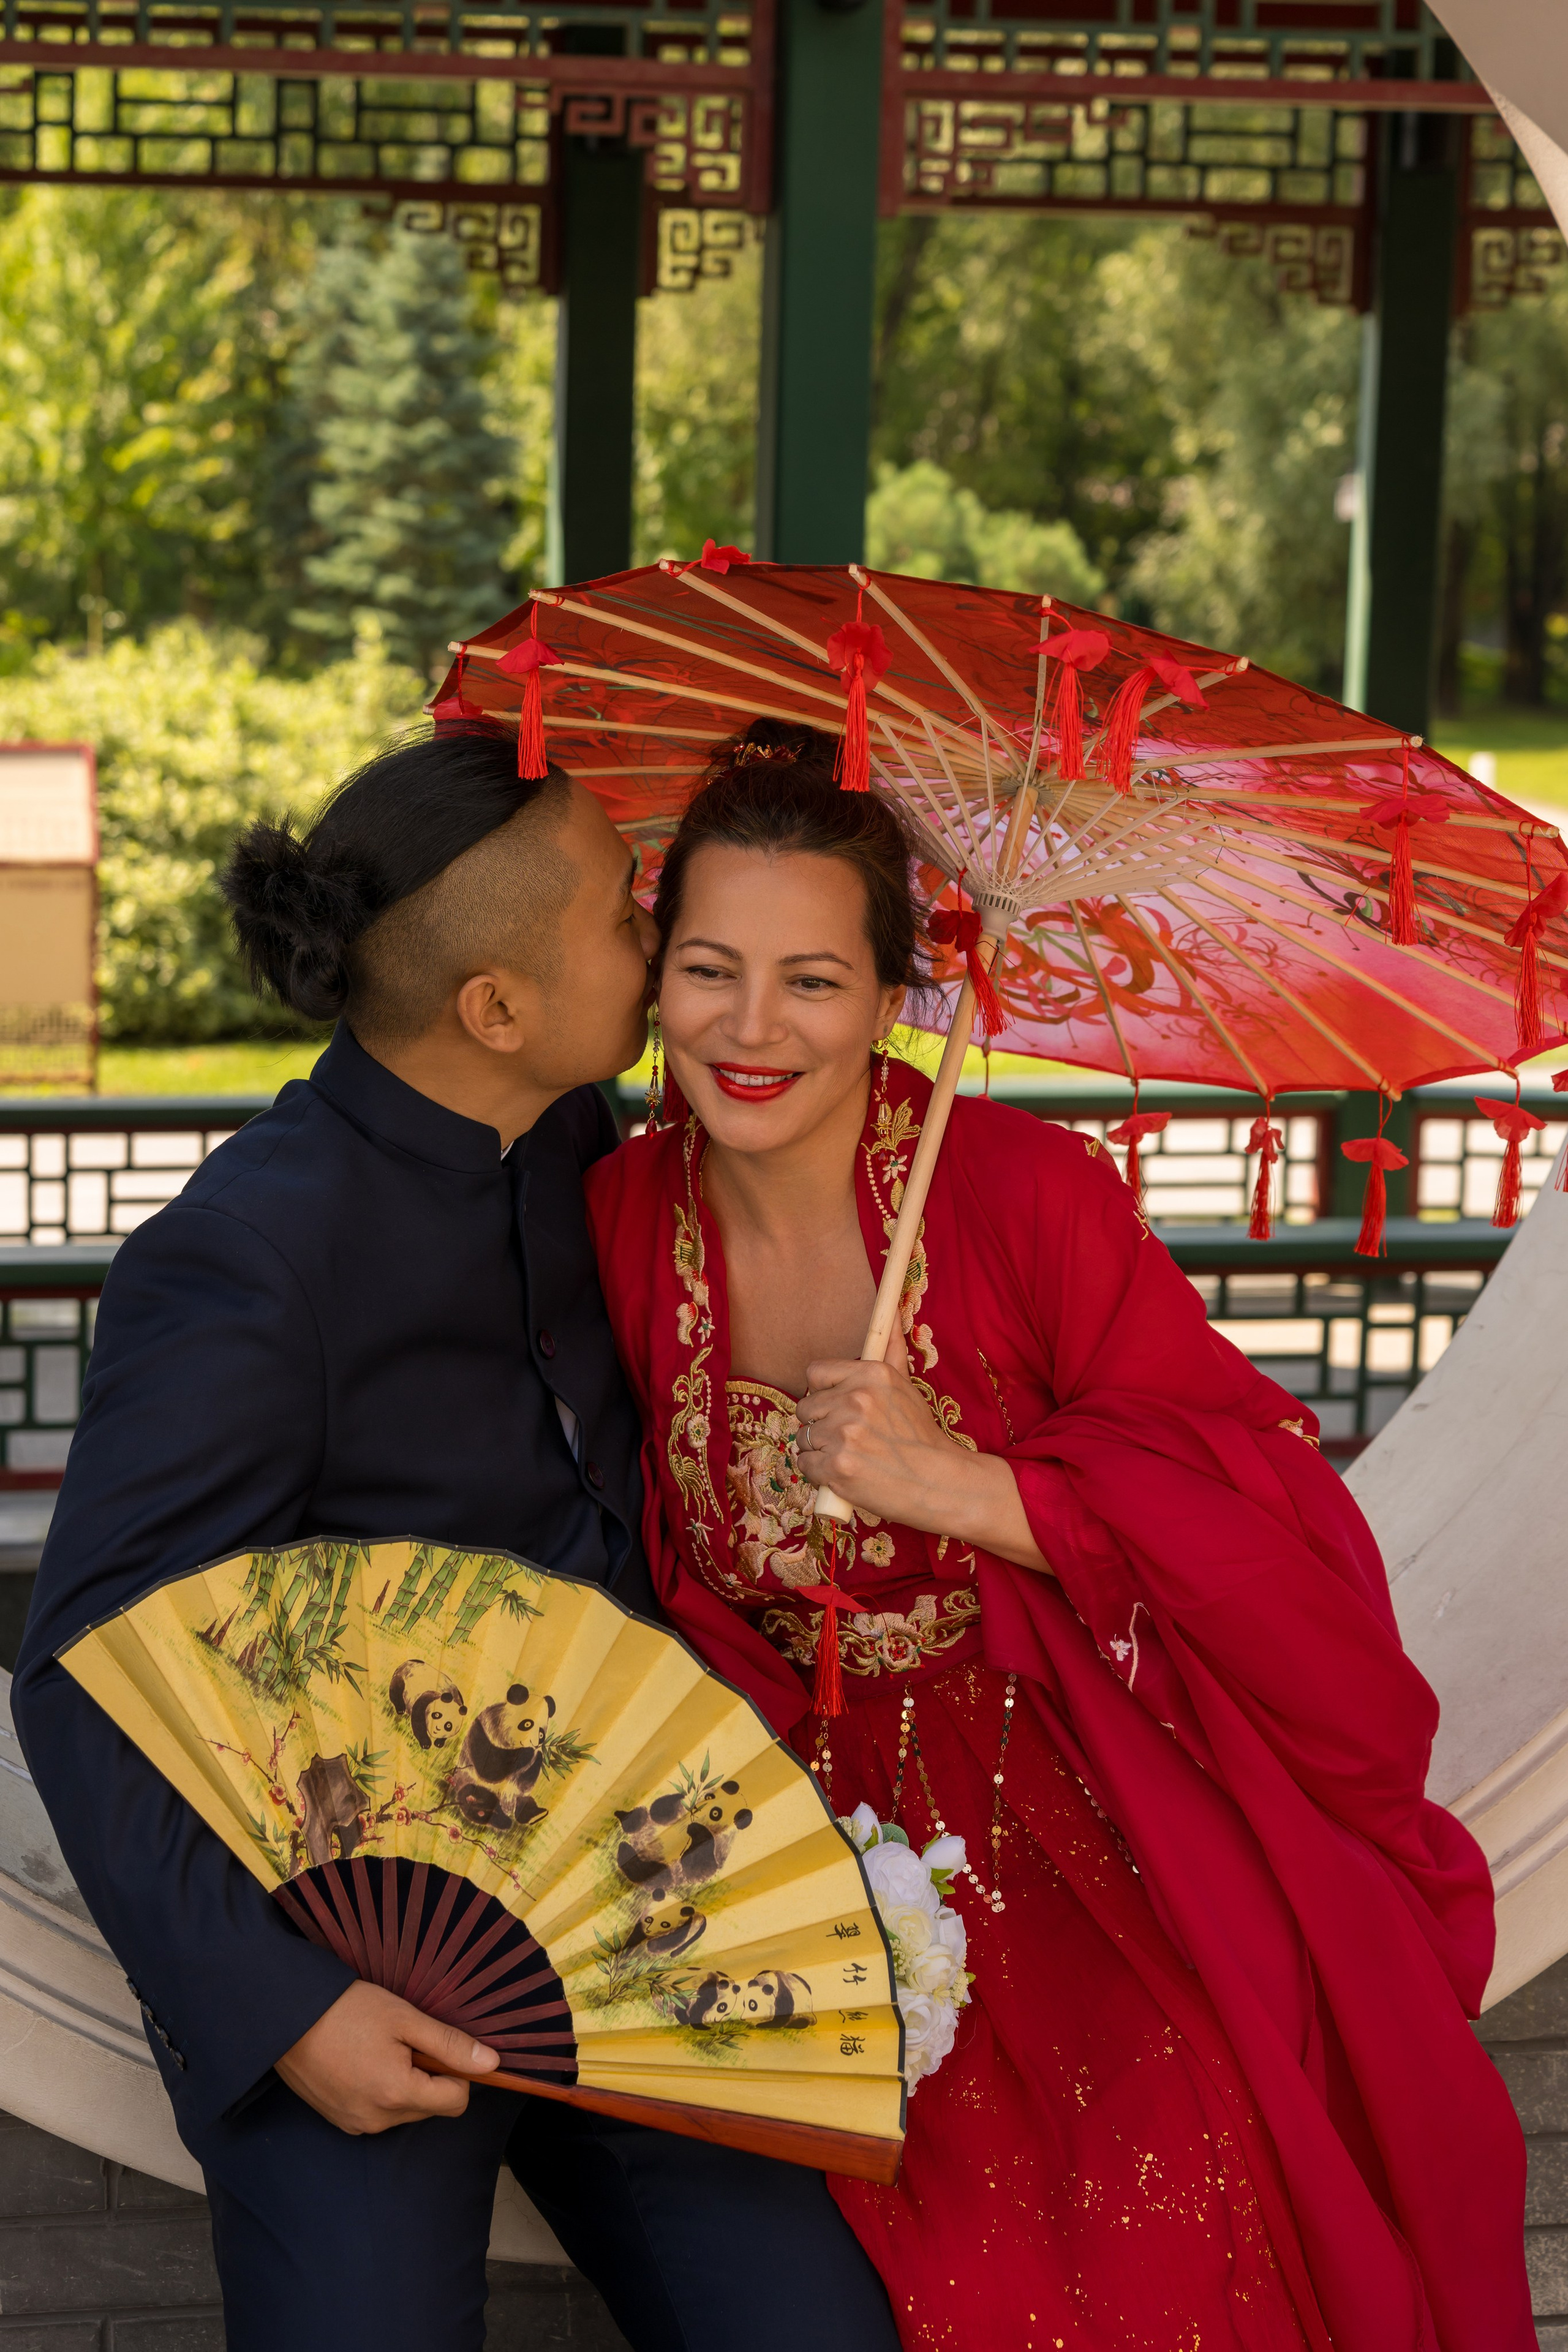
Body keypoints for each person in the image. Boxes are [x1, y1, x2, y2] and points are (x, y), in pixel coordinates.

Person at [584, 717, 1534, 2352]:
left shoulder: (1021, 1195)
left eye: (814, 981)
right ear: (650, 976)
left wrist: (974, 1490)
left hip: (1075, 1794)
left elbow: (1269, 1503)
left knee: (1168, 2167)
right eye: (708, 969)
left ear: (895, 999)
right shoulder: (611, 1221)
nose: (752, 1029)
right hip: (779, 1828)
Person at [11, 721, 900, 2352]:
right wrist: (287, 2016)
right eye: (631, 917)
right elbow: (84, 1670)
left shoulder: (574, 1143)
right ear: (495, 1007)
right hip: (362, 1942)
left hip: (625, 1900)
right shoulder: (248, 1261)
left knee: (816, 2328)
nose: (661, 943)